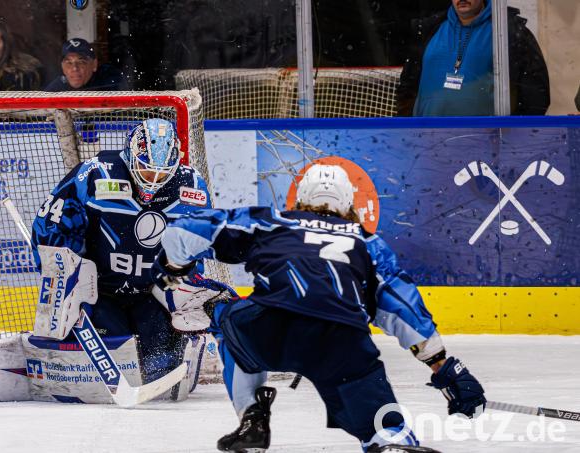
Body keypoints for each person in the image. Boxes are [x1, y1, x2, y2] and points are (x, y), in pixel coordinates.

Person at [154, 164, 487, 452]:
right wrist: (442, 366)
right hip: (339, 340)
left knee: (229, 320)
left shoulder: (270, 221)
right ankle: (388, 441)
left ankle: (252, 418)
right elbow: (401, 308)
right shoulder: (367, 243)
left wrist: (175, 269)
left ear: (300, 200)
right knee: (383, 429)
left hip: (268, 327)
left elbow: (182, 232)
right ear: (346, 204)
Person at [30, 118, 213, 390]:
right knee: (111, 366)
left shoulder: (192, 188)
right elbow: (49, 228)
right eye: (146, 170)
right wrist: (68, 276)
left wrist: (184, 288)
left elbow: (196, 249)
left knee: (162, 369)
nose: (152, 180)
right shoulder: (94, 175)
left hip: (153, 293)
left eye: (162, 174)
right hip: (99, 293)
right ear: (130, 155)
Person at [397, 0, 550, 116]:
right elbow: (407, 88)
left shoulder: (508, 32)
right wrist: (408, 129)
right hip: (426, 141)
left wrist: (513, 137)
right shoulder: (430, 29)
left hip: (486, 147)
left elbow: (535, 95)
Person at [44, 38, 128, 92]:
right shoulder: (57, 87)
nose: (74, 68)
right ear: (62, 67)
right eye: (69, 63)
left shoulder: (110, 80)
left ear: (94, 64)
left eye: (81, 62)